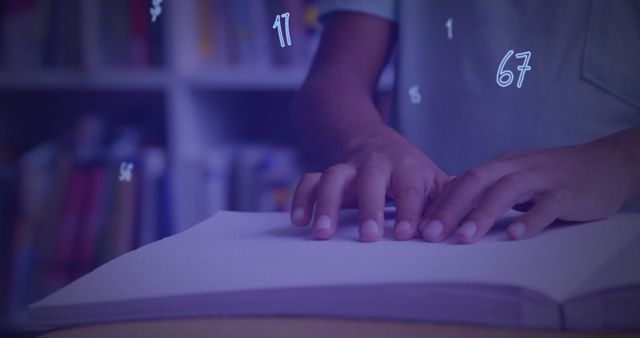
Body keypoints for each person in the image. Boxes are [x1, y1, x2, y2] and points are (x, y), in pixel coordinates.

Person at [289, 0, 640, 243]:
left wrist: (624, 158)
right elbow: (334, 79)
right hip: (411, 232)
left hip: (611, 246)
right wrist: (365, 141)